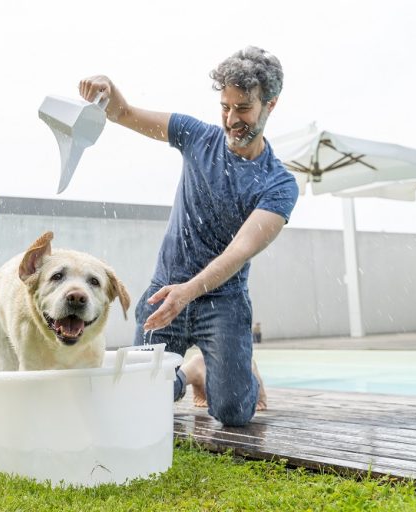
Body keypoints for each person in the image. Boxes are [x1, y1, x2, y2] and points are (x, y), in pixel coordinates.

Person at [79, 46, 298, 427]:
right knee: (143, 400)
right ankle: (193, 371)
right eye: (225, 107)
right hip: (166, 291)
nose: (231, 119)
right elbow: (125, 114)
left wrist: (190, 291)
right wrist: (108, 90)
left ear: (270, 105)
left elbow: (240, 250)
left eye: (243, 108)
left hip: (223, 299)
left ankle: (238, 370)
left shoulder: (279, 185)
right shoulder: (196, 136)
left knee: (233, 413)